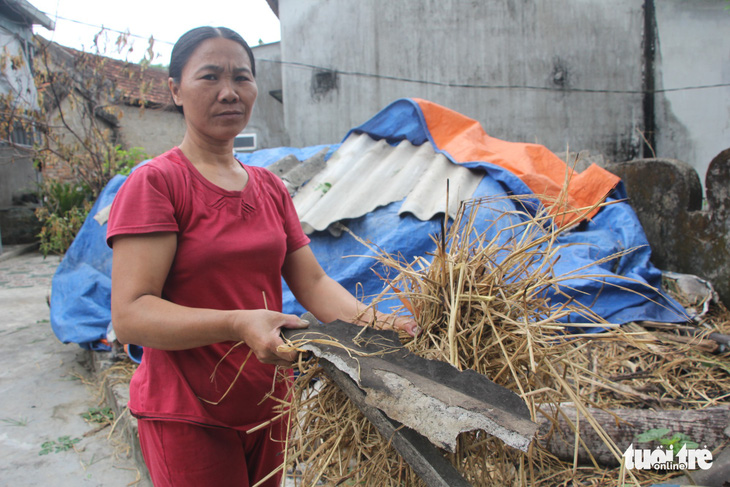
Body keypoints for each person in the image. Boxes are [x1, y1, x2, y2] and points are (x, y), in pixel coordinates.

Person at [107, 26, 418, 487]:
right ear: (175, 90)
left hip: (267, 402)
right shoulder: (158, 183)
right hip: (189, 412)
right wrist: (236, 323)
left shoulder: (269, 187)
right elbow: (131, 314)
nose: (229, 92)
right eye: (209, 77)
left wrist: (388, 325)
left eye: (242, 78)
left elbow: (312, 284)